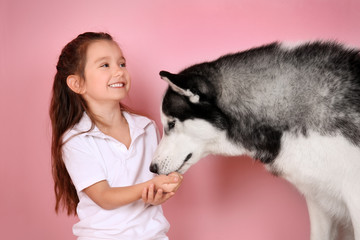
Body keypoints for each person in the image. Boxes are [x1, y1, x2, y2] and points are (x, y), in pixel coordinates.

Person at [49, 32, 183, 240]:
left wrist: (161, 189)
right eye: (105, 65)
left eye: (122, 64)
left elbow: (150, 189)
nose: (119, 72)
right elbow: (104, 197)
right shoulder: (76, 139)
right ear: (77, 84)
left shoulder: (146, 127)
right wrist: (149, 187)